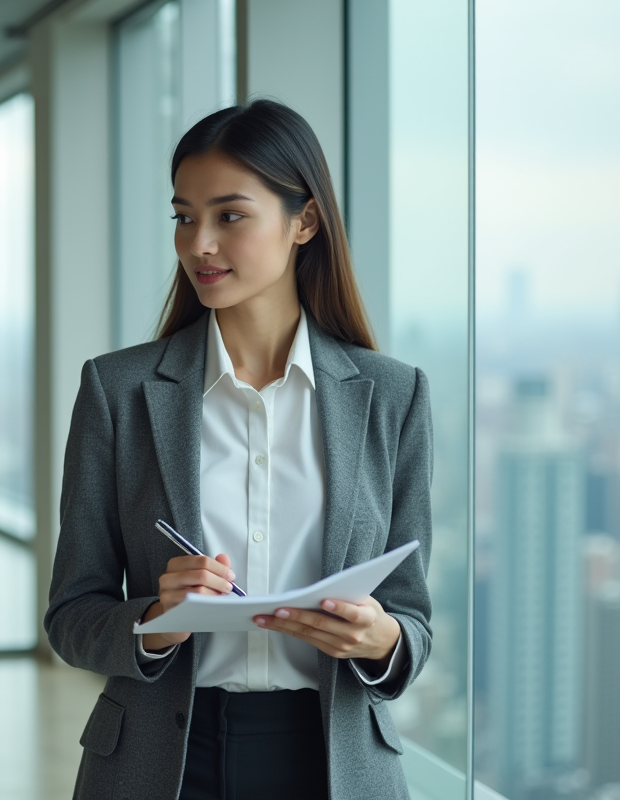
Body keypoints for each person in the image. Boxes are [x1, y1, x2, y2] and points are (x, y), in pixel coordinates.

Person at [45, 100, 432, 800]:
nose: (199, 244)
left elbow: (412, 619)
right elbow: (71, 618)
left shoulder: (391, 396)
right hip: (162, 762)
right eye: (184, 217)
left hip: (332, 764)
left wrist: (379, 640)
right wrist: (155, 624)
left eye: (229, 216)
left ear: (304, 222)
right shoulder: (119, 390)